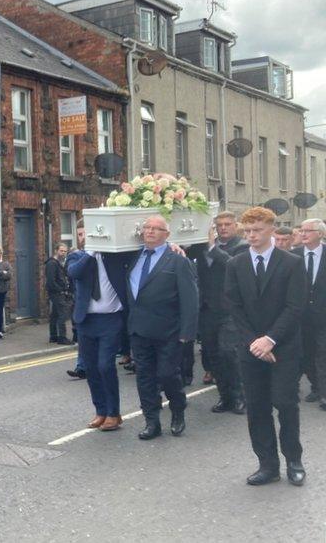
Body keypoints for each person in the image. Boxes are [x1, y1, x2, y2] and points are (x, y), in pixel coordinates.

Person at [225, 207, 307, 486]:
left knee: (285, 403)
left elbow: (295, 307)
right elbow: (234, 307)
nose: (251, 236)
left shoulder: (292, 263)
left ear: (272, 229)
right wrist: (254, 341)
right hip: (251, 349)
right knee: (257, 407)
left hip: (283, 347)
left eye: (256, 230)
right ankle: (267, 465)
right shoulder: (235, 264)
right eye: (246, 231)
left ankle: (293, 460)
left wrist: (270, 339)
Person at [126, 215, 199, 441]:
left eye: (157, 229)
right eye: (147, 227)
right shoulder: (131, 256)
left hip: (169, 330)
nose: (150, 231)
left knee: (167, 374)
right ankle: (152, 421)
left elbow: (190, 298)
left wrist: (188, 332)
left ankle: (178, 409)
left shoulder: (177, 260)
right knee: (145, 377)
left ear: (167, 235)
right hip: (139, 329)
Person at [66, 225, 130, 432]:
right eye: (81, 235)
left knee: (105, 366)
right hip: (86, 321)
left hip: (110, 320)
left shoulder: (115, 257)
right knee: (91, 369)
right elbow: (74, 273)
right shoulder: (77, 257)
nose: (84, 237)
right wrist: (91, 253)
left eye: (88, 234)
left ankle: (114, 413)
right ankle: (101, 411)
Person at [185, 213, 248, 414]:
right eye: (219, 225)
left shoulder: (242, 246)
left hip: (229, 310)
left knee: (229, 352)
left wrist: (212, 247)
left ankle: (240, 396)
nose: (223, 228)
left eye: (227, 224)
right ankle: (225, 396)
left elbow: (233, 265)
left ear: (236, 225)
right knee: (213, 355)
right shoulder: (201, 246)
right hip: (206, 309)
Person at [292, 218, 326, 408]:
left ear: (320, 234)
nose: (303, 234)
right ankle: (316, 386)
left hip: (323, 314)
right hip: (301, 316)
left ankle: (325, 393)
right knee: (306, 353)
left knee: (323, 353)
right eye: (302, 230)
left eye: (308, 231)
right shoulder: (294, 255)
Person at [45, 243, 73, 346]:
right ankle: (62, 337)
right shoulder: (52, 264)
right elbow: (51, 281)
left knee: (55, 314)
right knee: (63, 313)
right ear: (56, 250)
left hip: (57, 292)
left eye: (65, 251)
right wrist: (61, 290)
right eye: (61, 251)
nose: (63, 253)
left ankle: (53, 336)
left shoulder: (57, 263)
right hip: (56, 293)